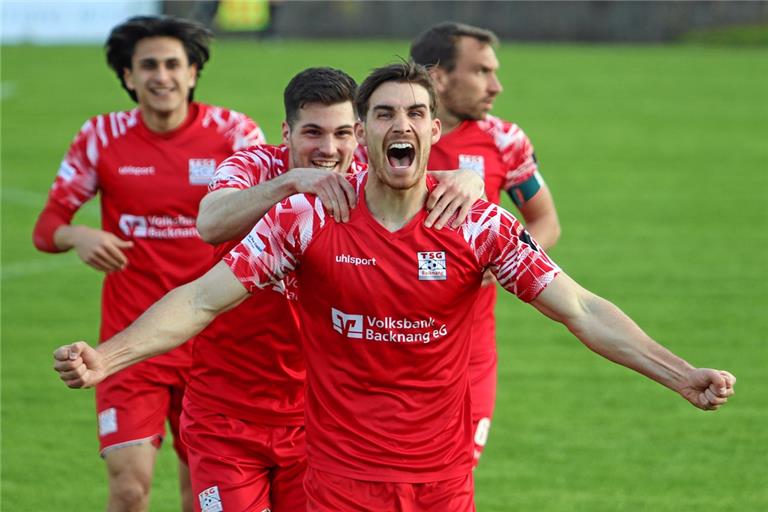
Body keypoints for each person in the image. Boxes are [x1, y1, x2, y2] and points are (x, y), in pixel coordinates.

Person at [53, 62, 735, 511]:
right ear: (366, 135)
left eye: (414, 114)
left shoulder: (478, 226)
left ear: (436, 132)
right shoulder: (306, 215)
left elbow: (581, 307)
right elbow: (201, 298)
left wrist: (679, 374)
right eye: (383, 114)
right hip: (336, 481)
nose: (399, 125)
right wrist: (106, 359)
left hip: (441, 483)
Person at [182, 66, 484, 512]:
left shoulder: (363, 180)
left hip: (317, 425)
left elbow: (418, 186)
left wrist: (468, 179)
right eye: (312, 133)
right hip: (228, 415)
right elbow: (210, 223)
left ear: (359, 134)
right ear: (285, 132)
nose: (328, 150)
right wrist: (291, 184)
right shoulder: (255, 165)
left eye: (343, 133)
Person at [33, 15, 265, 512]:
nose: (162, 76)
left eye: (173, 64)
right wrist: (78, 233)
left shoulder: (236, 134)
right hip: (130, 344)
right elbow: (46, 225)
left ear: (192, 73)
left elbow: (270, 216)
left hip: (215, 348)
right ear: (128, 76)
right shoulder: (101, 136)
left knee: (200, 496)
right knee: (129, 488)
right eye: (148, 66)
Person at [411, 21, 562, 465]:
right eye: (481, 72)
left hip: (467, 354)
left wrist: (504, 264)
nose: (495, 86)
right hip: (379, 348)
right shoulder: (383, 139)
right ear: (438, 76)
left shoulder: (504, 140)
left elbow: (545, 219)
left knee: (452, 474)